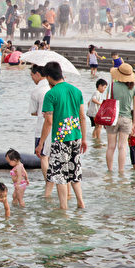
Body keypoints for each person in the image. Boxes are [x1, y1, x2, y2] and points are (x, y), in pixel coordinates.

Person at [36, 62, 86, 210]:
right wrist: (84, 139)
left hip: (61, 140)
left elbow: (49, 121)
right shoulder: (76, 91)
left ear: (49, 77)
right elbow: (82, 117)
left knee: (60, 175)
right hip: (76, 137)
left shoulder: (50, 94)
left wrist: (41, 143)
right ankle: (80, 203)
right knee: (74, 172)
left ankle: (63, 208)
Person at [105, 63, 135, 172]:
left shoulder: (112, 86)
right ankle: (121, 171)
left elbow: (106, 103)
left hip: (113, 118)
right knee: (122, 147)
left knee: (111, 146)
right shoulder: (134, 88)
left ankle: (109, 171)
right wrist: (134, 123)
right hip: (127, 119)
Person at [29, 65, 53, 197]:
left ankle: (48, 182)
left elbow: (33, 112)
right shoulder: (53, 88)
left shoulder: (37, 91)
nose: (32, 78)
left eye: (32, 75)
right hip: (58, 128)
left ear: (37, 74)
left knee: (44, 156)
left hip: (42, 128)